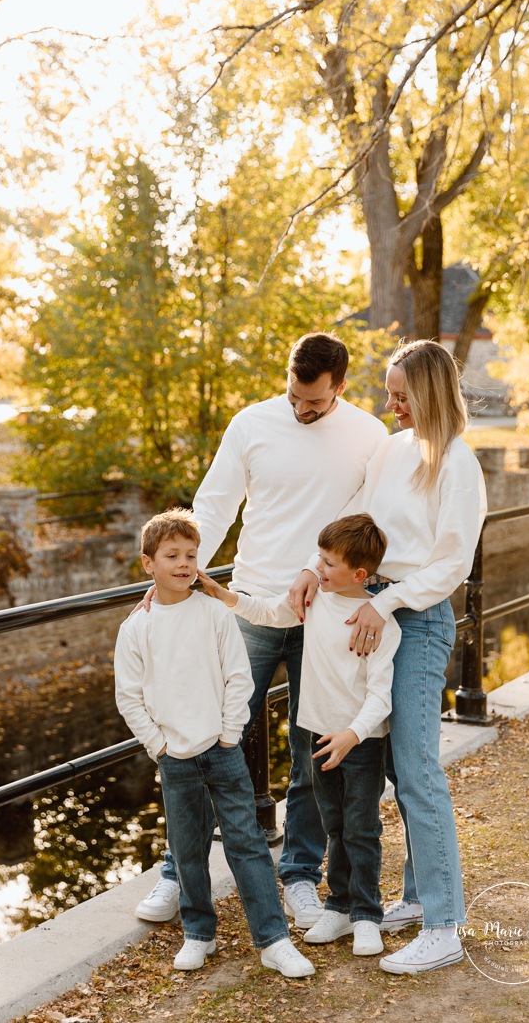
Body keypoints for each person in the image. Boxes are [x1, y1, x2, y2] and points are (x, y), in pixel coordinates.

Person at [135, 332, 388, 930]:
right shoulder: (251, 424)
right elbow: (213, 505)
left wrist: (313, 570)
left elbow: (363, 525)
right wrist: (179, 575)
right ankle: (178, 871)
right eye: (294, 396)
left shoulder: (369, 436)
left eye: (315, 402)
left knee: (313, 752)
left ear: (340, 386)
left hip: (325, 614)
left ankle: (300, 874)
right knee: (202, 737)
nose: (302, 409)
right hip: (249, 607)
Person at [290, 339, 487, 974]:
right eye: (389, 392)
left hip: (417, 618)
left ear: (429, 391)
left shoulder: (457, 463)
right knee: (394, 767)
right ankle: (416, 895)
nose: (391, 404)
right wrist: (313, 568)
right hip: (368, 605)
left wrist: (390, 601)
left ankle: (444, 925)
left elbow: (452, 564)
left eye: (401, 395)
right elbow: (354, 520)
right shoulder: (392, 450)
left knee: (417, 769)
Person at [114, 509, 314, 977]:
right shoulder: (137, 627)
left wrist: (228, 734)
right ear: (148, 564)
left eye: (191, 555)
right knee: (186, 851)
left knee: (247, 842)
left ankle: (274, 940)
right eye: (172, 556)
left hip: (222, 752)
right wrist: (158, 745)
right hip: (174, 758)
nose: (183, 563)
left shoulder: (215, 613)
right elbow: (129, 696)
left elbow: (238, 677)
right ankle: (199, 933)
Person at [198, 512, 400, 957]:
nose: (317, 567)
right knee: (335, 824)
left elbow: (380, 696)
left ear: (359, 574)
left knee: (362, 828)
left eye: (327, 563)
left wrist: (353, 734)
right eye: (319, 558)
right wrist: (225, 595)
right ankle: (339, 906)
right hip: (316, 735)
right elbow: (268, 612)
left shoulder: (379, 623)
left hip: (360, 742)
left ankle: (367, 914)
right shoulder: (315, 600)